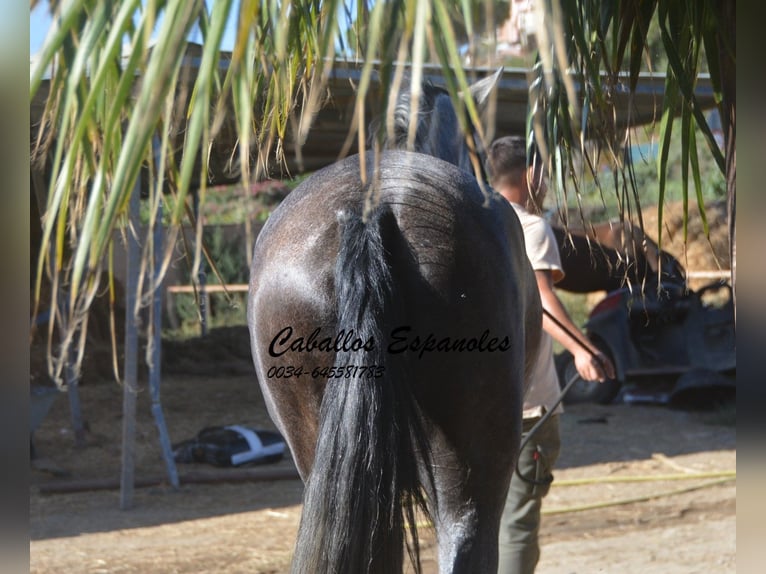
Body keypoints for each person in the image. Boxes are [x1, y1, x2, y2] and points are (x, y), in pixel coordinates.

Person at [486, 136, 616, 574]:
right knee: (518, 522)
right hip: (528, 405)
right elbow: (540, 301)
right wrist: (583, 350)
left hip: (475, 406)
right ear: (530, 176)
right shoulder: (529, 227)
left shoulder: (474, 226)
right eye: (543, 173)